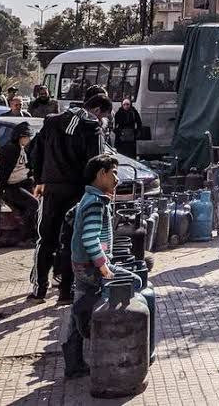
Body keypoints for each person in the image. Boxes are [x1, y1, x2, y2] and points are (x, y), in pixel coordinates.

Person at [28, 93, 111, 305]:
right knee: (71, 241)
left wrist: (40, 179)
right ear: (97, 110)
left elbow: (34, 151)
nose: (101, 120)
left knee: (45, 239)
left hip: (51, 190)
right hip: (77, 192)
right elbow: (96, 165)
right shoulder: (92, 128)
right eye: (102, 116)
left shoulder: (51, 121)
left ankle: (39, 290)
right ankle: (65, 292)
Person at [61, 154, 138, 378]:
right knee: (135, 281)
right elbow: (90, 238)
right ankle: (109, 341)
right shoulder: (95, 203)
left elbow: (71, 217)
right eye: (113, 173)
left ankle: (73, 363)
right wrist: (103, 266)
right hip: (91, 267)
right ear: (101, 174)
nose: (117, 179)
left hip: (81, 264)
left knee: (78, 310)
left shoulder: (88, 198)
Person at [0, 121, 38, 245]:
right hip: (12, 187)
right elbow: (3, 172)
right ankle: (26, 237)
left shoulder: (23, 149)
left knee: (34, 206)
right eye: (27, 137)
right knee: (33, 204)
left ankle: (31, 235)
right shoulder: (10, 150)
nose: (29, 139)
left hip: (24, 183)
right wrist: (0, 193)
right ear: (21, 137)